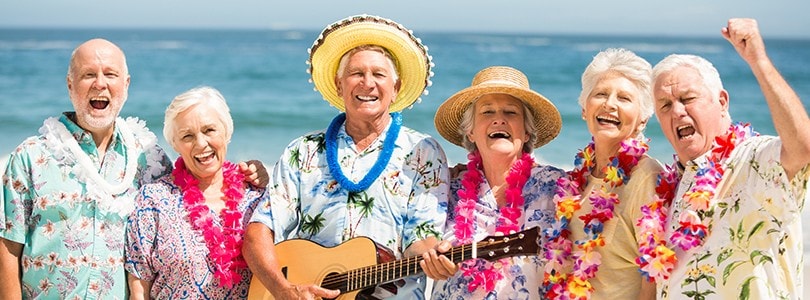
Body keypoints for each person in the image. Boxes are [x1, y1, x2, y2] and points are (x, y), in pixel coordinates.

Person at [0, 38, 266, 299]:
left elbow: (198, 178)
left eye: (111, 74)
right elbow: (7, 246)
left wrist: (253, 175)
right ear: (70, 85)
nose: (100, 83)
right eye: (88, 74)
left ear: (126, 85)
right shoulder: (31, 156)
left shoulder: (147, 157)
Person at [243, 15, 449, 300]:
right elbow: (259, 230)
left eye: (379, 74)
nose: (367, 83)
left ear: (396, 87)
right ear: (339, 85)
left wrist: (433, 256)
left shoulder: (423, 152)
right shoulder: (302, 151)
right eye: (356, 74)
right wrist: (282, 289)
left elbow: (422, 236)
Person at [638, 18, 810, 299]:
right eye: (665, 105)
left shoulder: (753, 158)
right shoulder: (665, 192)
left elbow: (802, 148)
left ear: (722, 102)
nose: (677, 112)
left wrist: (759, 61)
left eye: (688, 98)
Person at [422, 66, 566, 299]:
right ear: (470, 132)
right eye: (487, 112)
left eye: (510, 112)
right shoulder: (446, 188)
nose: (499, 119)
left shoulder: (557, 186)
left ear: (527, 132)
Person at [541, 48, 661, 299]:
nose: (610, 104)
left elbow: (654, 274)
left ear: (642, 120)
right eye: (601, 94)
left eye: (624, 98)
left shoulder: (646, 176)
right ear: (585, 109)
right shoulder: (577, 180)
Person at [126, 86, 266, 298]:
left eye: (209, 130)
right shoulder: (153, 200)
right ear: (175, 144)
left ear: (227, 131)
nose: (201, 144)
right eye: (187, 136)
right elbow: (139, 282)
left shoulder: (256, 197)